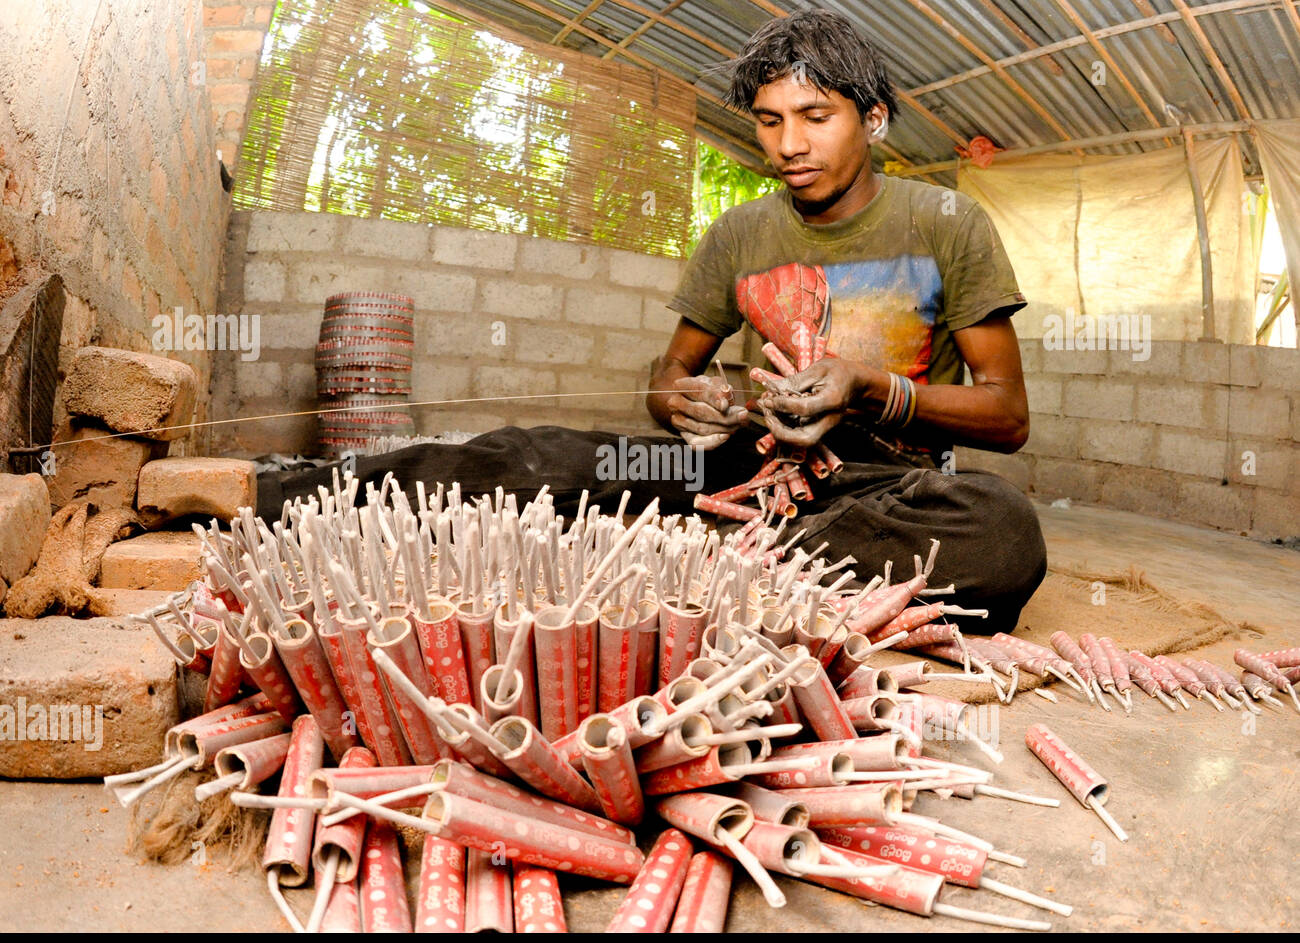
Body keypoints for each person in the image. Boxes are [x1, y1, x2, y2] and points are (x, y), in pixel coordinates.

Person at [258, 10, 1046, 631]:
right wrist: (681, 402)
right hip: (746, 470)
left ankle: (682, 552)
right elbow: (666, 378)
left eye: (814, 116)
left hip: (880, 490)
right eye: (769, 121)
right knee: (539, 456)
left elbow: (1008, 415)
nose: (788, 145)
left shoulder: (948, 222)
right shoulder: (740, 233)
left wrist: (871, 388)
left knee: (1004, 532)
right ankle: (285, 493)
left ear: (872, 120)